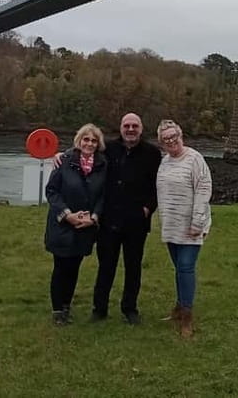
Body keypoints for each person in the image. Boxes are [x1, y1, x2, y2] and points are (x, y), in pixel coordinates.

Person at [55, 112, 161, 324]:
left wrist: (148, 208)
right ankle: (99, 308)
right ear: (121, 128)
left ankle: (130, 308)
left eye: (135, 126)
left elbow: (158, 185)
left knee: (133, 266)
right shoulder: (109, 149)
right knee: (106, 266)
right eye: (126, 126)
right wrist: (61, 155)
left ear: (141, 129)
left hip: (136, 221)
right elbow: (85, 151)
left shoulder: (152, 153)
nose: (130, 129)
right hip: (109, 219)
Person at [44, 123, 106, 326]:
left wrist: (94, 217)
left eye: (93, 140)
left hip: (86, 226)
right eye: (86, 139)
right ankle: (57, 310)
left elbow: (104, 195)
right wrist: (67, 214)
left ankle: (66, 305)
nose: (89, 143)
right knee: (60, 266)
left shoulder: (103, 165)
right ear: (79, 140)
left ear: (98, 144)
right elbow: (52, 191)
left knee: (74, 267)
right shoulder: (64, 160)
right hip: (63, 224)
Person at [155, 119, 212, 339]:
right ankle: (178, 308)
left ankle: (187, 316)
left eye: (174, 136)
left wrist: (198, 222)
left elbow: (203, 190)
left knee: (186, 267)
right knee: (178, 267)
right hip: (171, 225)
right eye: (166, 139)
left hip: (191, 226)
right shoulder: (164, 161)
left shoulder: (195, 159)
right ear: (162, 142)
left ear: (181, 135)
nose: (171, 141)